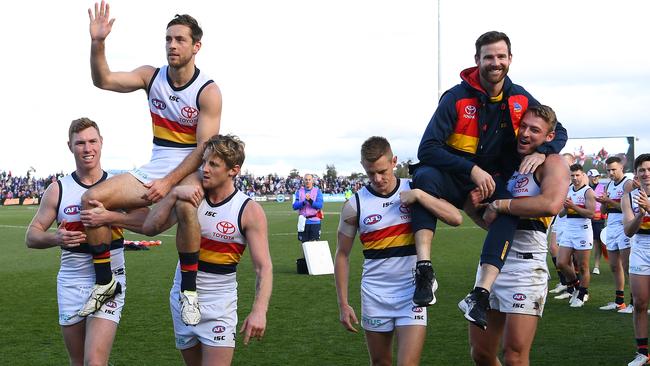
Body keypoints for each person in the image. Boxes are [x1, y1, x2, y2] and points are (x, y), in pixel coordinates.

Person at [409, 31, 568, 328]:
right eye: (489, 57)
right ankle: (424, 270)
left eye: (501, 56)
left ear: (510, 59)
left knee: (510, 203)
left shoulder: (519, 96)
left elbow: (557, 130)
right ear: (477, 60)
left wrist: (544, 151)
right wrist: (471, 171)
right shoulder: (456, 98)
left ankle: (480, 295)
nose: (495, 63)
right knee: (424, 176)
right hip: (459, 176)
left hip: (493, 182)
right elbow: (427, 148)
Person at [80, 1, 222, 324]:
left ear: (196, 46)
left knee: (186, 206)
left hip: (190, 168)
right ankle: (106, 282)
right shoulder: (151, 76)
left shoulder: (208, 91)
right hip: (156, 162)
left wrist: (169, 183)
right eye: (168, 39)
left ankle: (190, 291)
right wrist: (98, 43)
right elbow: (103, 80)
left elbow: (203, 150)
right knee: (91, 199)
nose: (172, 45)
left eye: (180, 40)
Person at [25, 118, 149, 365]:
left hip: (110, 278)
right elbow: (31, 235)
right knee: (79, 361)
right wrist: (55, 237)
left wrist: (110, 216)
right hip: (72, 281)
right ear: (70, 146)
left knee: (94, 361)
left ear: (101, 142)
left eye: (92, 141)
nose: (87, 148)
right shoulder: (58, 189)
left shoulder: (118, 183)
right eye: (80, 143)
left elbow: (147, 220)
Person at [142, 134, 272, 366]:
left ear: (234, 170)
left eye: (213, 164)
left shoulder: (249, 210)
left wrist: (259, 310)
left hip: (219, 303)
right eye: (204, 162)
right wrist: (173, 194)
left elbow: (263, 267)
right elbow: (152, 226)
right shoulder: (193, 196)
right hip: (182, 295)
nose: (205, 169)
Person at [335, 136, 461, 366]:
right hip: (374, 294)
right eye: (370, 173)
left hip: (411, 293)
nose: (377, 178)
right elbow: (342, 255)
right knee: (380, 362)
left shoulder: (415, 188)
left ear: (394, 161)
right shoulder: (354, 205)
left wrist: (421, 196)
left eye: (382, 171)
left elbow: (456, 218)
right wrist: (343, 303)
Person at [467, 105, 568, 366]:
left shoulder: (554, 162)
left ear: (549, 137)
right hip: (492, 263)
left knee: (514, 355)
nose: (525, 133)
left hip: (526, 266)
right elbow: (489, 223)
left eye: (535, 130)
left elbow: (551, 203)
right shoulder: (509, 162)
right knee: (481, 353)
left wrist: (502, 205)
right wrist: (471, 206)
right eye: (523, 126)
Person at [597, 157, 635, 312]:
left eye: (614, 169)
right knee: (614, 266)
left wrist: (610, 201)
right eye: (608, 170)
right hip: (611, 227)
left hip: (624, 227)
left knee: (627, 266)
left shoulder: (628, 184)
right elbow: (604, 211)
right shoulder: (609, 185)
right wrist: (604, 202)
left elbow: (629, 208)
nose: (611, 172)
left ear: (621, 168)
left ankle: (634, 302)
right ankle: (620, 302)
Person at [554, 164, 595, 307]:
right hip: (569, 229)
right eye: (572, 175)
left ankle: (583, 294)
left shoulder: (588, 192)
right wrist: (566, 208)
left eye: (578, 175)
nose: (575, 178)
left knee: (583, 266)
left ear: (583, 175)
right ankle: (577, 286)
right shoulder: (568, 190)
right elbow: (561, 213)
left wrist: (573, 207)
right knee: (561, 262)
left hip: (583, 230)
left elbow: (591, 214)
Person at [623, 154, 650, 366]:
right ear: (636, 173)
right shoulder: (629, 197)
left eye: (649, 169)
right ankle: (642, 352)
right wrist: (641, 215)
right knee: (640, 303)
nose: (646, 173)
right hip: (640, 248)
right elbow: (629, 231)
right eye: (642, 169)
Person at [293, 174, 324, 243]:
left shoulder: (317, 191)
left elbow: (319, 205)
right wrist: (304, 202)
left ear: (312, 180)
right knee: (303, 246)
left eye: (309, 179)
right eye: (306, 179)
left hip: (315, 222)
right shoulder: (299, 192)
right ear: (303, 180)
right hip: (303, 222)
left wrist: (310, 200)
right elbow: (294, 206)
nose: (308, 181)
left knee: (314, 246)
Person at [587, 169, 607, 275]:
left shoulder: (603, 187)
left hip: (598, 218)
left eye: (597, 176)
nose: (595, 178)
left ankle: (596, 266)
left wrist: (603, 214)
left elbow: (606, 202)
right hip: (585, 217)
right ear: (589, 177)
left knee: (597, 241)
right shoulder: (585, 187)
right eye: (593, 176)